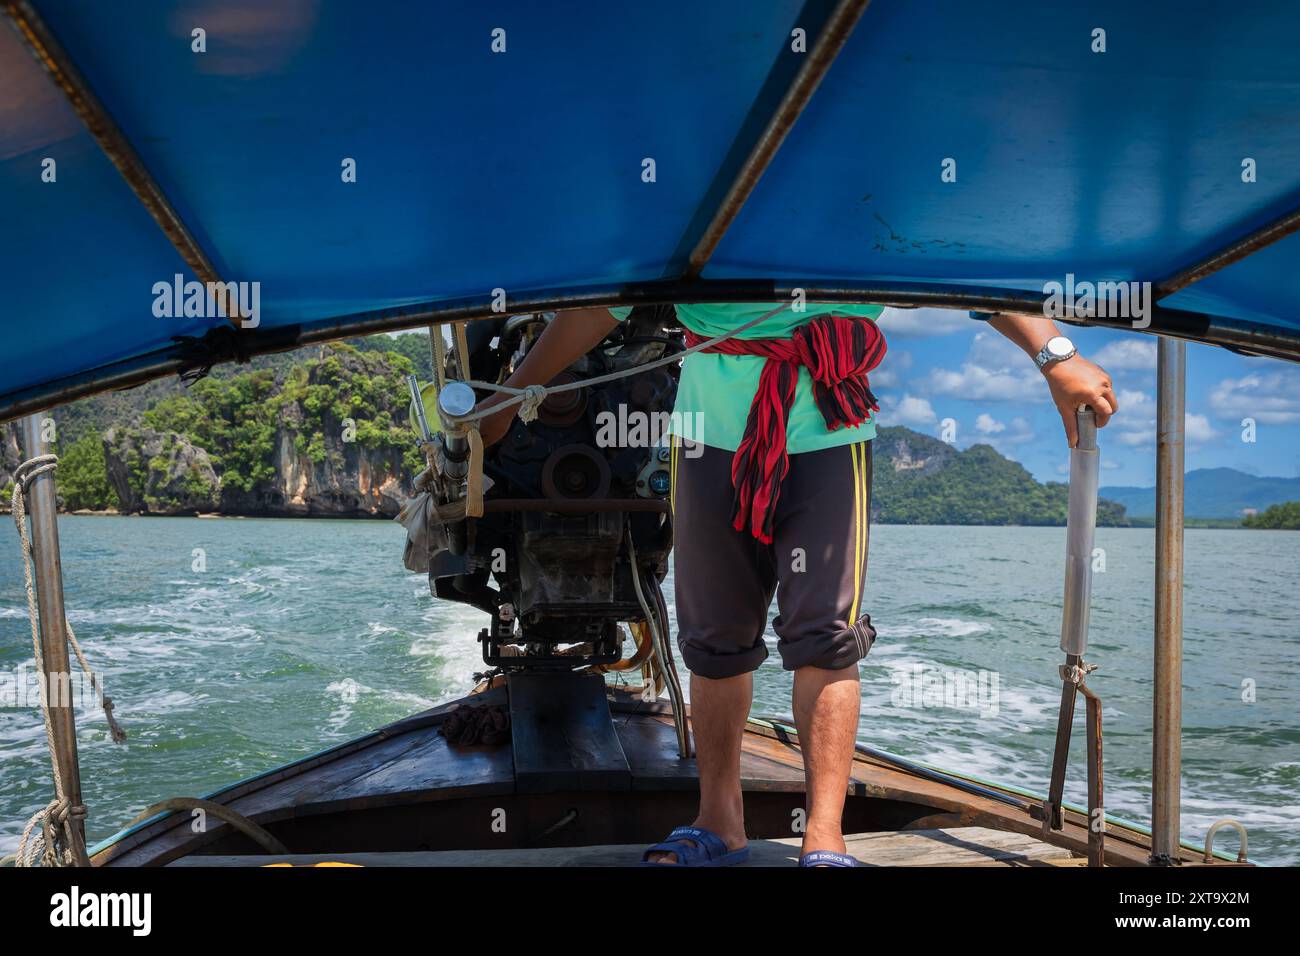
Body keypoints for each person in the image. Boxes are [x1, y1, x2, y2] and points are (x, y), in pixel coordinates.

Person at [477, 302, 1116, 866]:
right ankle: (718, 824)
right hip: (707, 433)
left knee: (825, 635)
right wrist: (510, 393)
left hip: (830, 429)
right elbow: (608, 302)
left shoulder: (872, 199)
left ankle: (825, 836)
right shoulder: (702, 195)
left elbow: (964, 269)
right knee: (715, 635)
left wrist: (1056, 355)